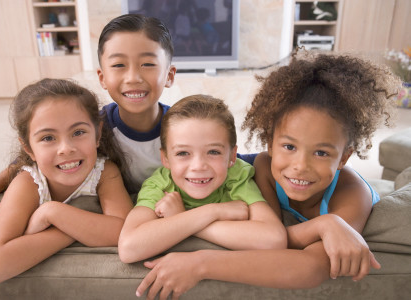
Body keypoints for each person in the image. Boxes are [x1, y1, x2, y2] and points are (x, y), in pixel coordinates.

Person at [134, 53, 401, 300]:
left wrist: (199, 263)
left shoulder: (352, 192)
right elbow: (273, 238)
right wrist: (320, 226)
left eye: (321, 152)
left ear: (343, 157)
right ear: (269, 144)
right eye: (289, 147)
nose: (300, 166)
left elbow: (311, 266)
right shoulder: (264, 164)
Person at [0, 13, 255, 215]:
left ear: (169, 74)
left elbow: (227, 159)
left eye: (148, 64)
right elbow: (27, 160)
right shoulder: (90, 127)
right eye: (118, 66)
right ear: (102, 78)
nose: (133, 78)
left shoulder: (184, 129)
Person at [0, 78, 133, 284]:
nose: (66, 148)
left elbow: (125, 232)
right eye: (48, 138)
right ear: (28, 148)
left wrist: (52, 213)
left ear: (97, 134)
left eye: (78, 132)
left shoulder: (104, 171)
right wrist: (70, 230)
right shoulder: (28, 182)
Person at [118, 95, 286, 264]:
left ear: (232, 156)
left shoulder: (236, 176)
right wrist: (213, 212)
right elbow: (128, 249)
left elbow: (274, 240)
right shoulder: (160, 185)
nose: (198, 166)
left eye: (213, 152)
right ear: (166, 159)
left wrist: (181, 218)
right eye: (183, 153)